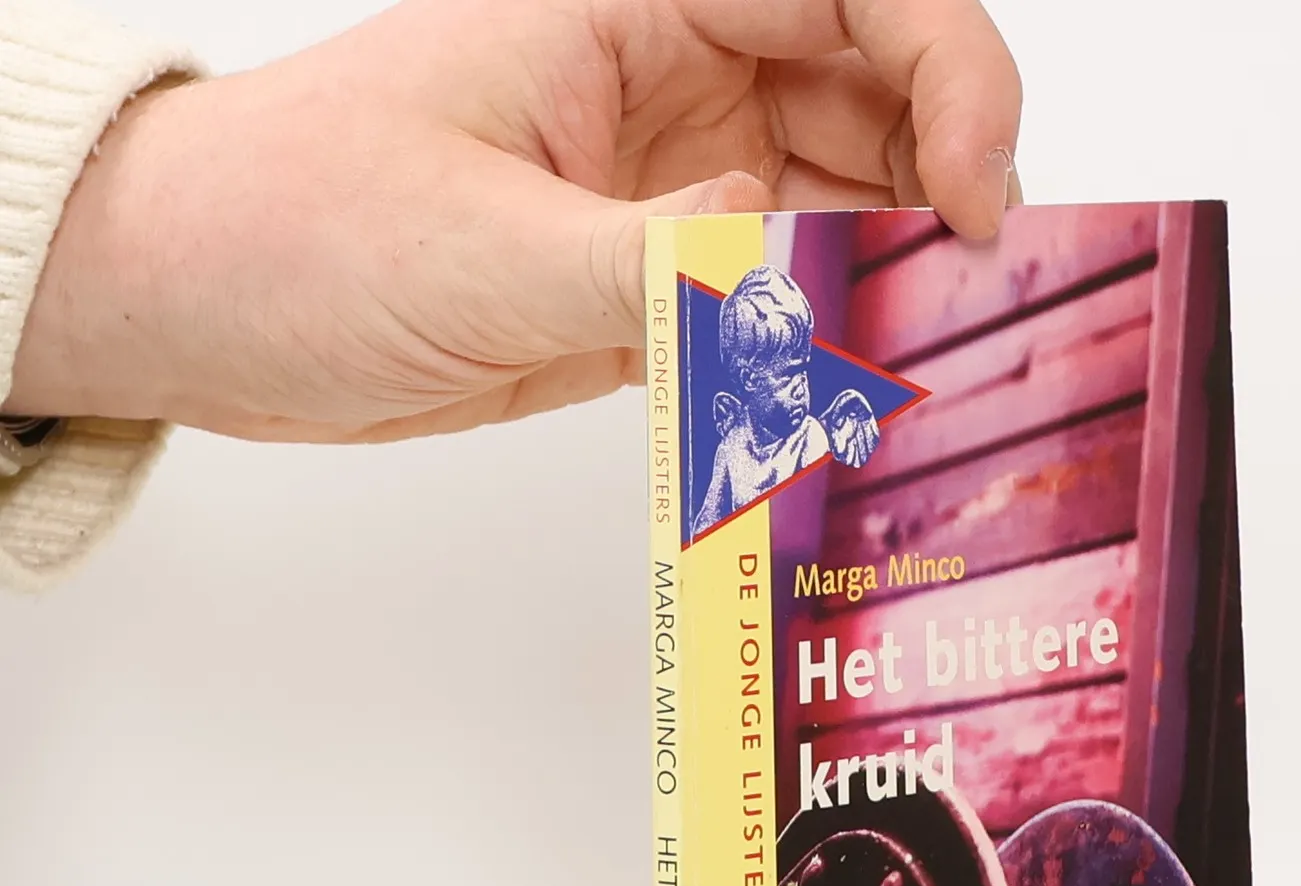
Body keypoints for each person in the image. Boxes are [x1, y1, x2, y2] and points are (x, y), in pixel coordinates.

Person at [0, 0, 1020, 593]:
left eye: (788, 364)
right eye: (770, 368)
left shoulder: (773, 414)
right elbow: (754, 476)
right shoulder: (732, 443)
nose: (786, 383)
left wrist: (113, 245)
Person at [690, 262, 878, 539]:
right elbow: (708, 518)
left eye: (804, 371)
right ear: (750, 379)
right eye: (789, 375)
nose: (802, 388)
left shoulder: (810, 439)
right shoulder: (732, 446)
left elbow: (812, 527)